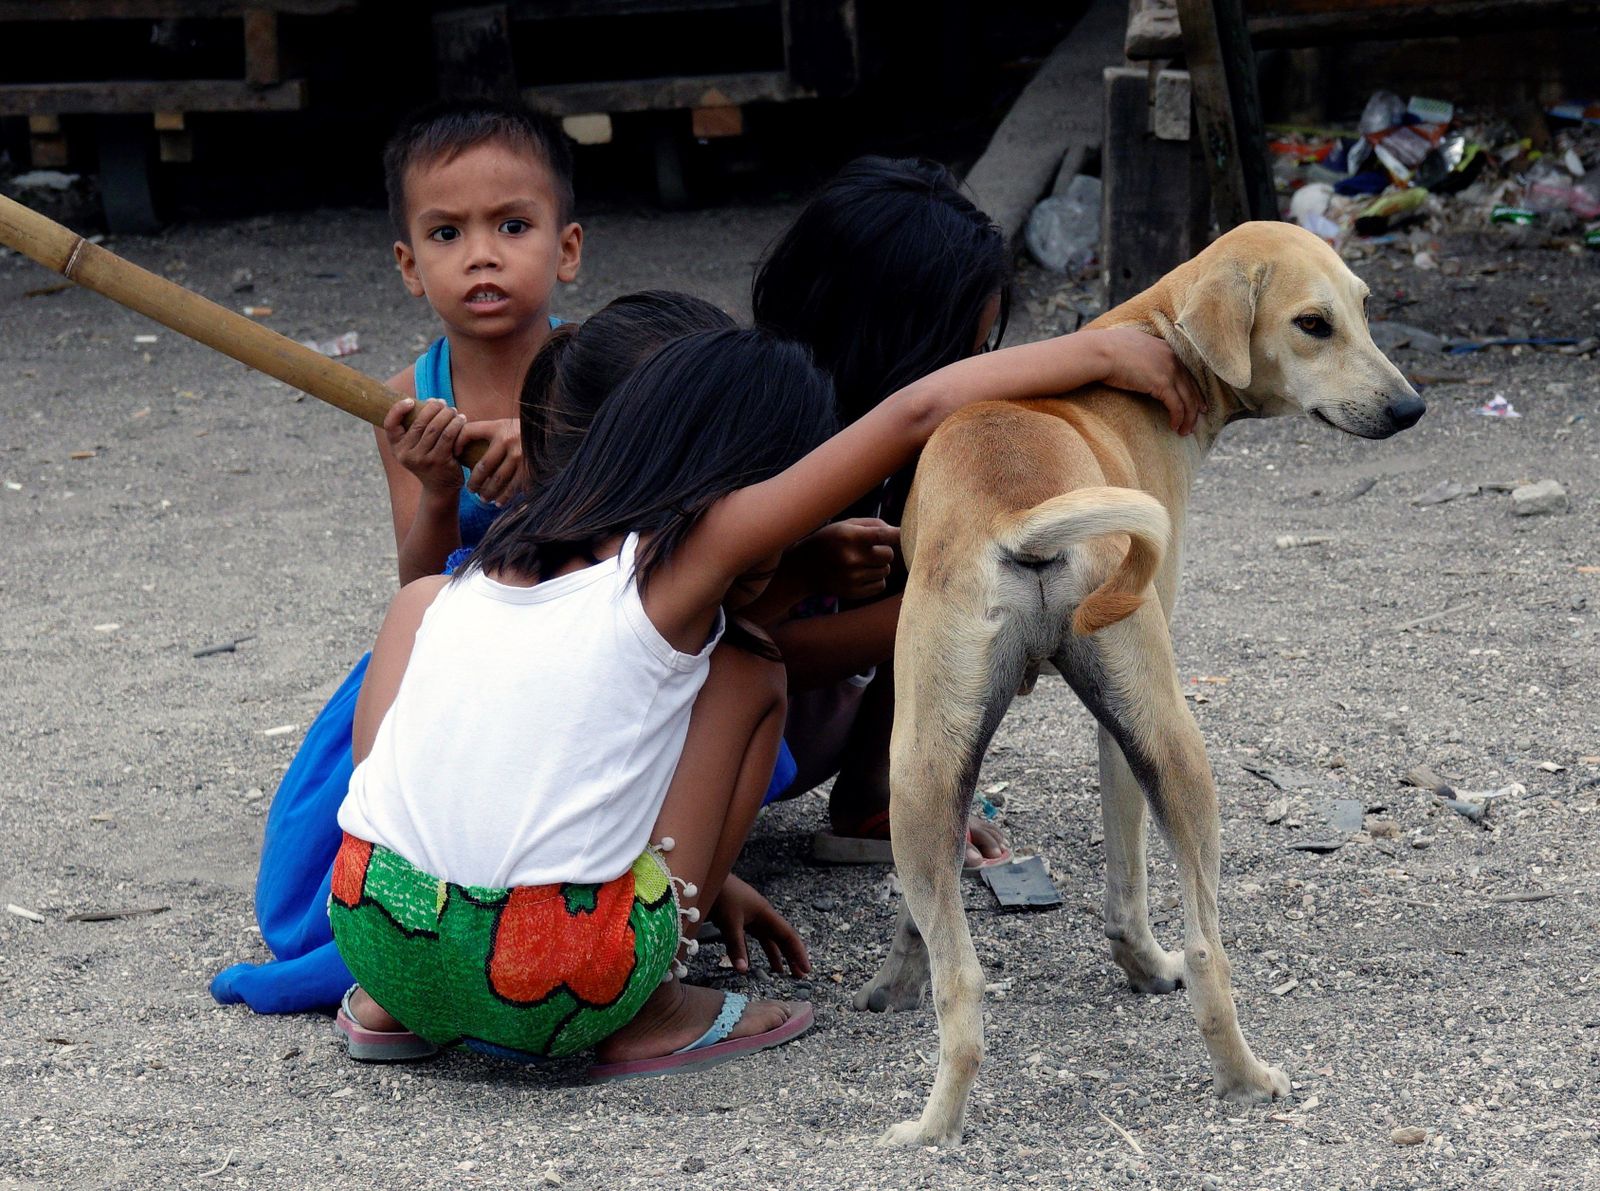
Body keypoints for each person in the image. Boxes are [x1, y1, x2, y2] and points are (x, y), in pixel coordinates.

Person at [328, 321, 1202, 1075]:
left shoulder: (475, 572)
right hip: (565, 976)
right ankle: (651, 1009)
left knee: (416, 619)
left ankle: (399, 1008)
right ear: (727, 482)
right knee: (749, 671)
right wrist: (1100, 351)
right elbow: (914, 412)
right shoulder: (678, 565)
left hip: (373, 933)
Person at [210, 98, 581, 1014]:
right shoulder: (403, 405)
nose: (482, 254)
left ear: (566, 249)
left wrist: (556, 465)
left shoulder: (602, 372)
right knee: (305, 880)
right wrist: (443, 489)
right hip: (448, 647)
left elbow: (651, 539)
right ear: (411, 267)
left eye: (513, 226)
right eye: (448, 233)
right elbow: (418, 580)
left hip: (575, 640)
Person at [749, 156, 1207, 871]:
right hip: (746, 726)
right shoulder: (766, 442)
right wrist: (1096, 354)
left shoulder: (902, 456)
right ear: (895, 335)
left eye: (985, 350)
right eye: (967, 349)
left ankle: (877, 800)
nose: (978, 369)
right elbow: (752, 664)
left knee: (960, 553)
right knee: (966, 591)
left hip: (806, 730)